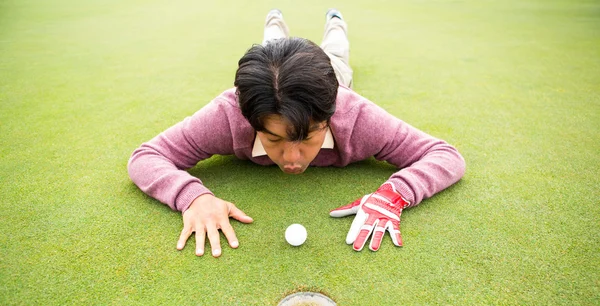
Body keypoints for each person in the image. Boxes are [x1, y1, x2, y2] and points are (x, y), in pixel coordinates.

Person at [127, 9, 466, 257]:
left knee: (336, 54)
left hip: (330, 73)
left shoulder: (358, 116)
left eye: (307, 137)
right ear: (250, 120)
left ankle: (335, 22)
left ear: (330, 117)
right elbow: (146, 157)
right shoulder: (228, 114)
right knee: (273, 51)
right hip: (279, 71)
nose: (291, 160)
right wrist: (193, 197)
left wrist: (396, 192)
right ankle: (274, 24)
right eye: (273, 139)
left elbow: (446, 156)